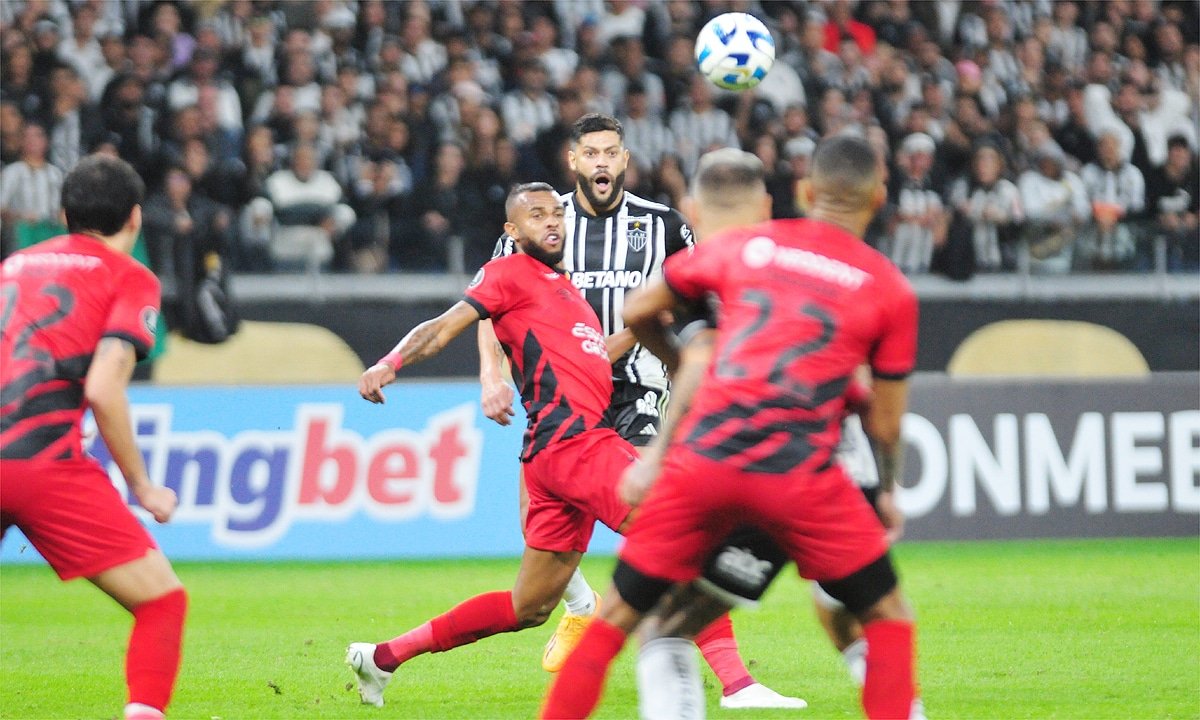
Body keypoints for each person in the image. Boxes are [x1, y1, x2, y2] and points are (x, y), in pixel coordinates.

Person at [344, 183, 796, 712]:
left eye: (556, 212)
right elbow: (444, 327)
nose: (552, 221)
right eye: (536, 215)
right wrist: (389, 364)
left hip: (552, 457)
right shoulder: (509, 272)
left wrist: (652, 328)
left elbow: (592, 358)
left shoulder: (566, 294)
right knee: (680, 531)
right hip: (575, 443)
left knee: (529, 606)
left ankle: (381, 658)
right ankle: (740, 686)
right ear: (512, 231)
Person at [541, 136, 920, 720]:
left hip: (705, 463)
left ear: (804, 193)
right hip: (802, 474)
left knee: (626, 620)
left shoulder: (751, 248)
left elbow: (641, 310)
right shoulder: (889, 287)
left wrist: (680, 360)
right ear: (881, 196)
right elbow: (888, 422)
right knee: (884, 617)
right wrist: (888, 491)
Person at [476, 115, 800, 710]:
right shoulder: (539, 221)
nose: (601, 162)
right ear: (573, 161)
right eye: (590, 153)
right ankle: (580, 609)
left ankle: (735, 681)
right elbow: (486, 299)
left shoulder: (664, 226)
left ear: (625, 161)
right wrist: (491, 373)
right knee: (537, 526)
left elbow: (688, 300)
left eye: (611, 153)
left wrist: (618, 349)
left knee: (665, 521)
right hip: (561, 396)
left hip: (638, 390)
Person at [0, 155, 187, 720]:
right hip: (39, 460)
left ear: (62, 214)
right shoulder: (129, 277)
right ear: (135, 218)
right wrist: (144, 486)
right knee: (161, 602)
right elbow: (105, 390)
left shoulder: (12, 266)